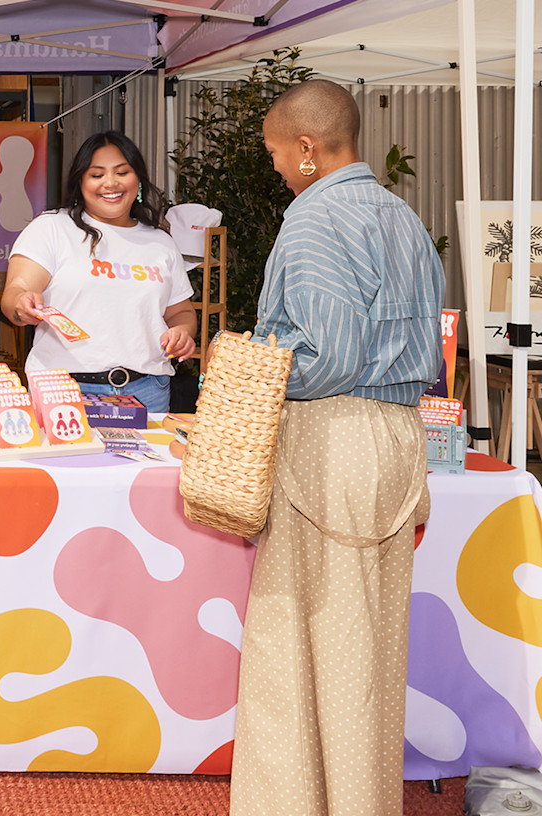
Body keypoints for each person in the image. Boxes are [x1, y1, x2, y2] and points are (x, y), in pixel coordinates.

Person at [228, 80, 445, 816]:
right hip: (394, 435)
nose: (277, 168)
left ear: (308, 149)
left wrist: (257, 351)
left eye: (275, 153)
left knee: (301, 645)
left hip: (331, 434)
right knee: (366, 649)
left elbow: (330, 355)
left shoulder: (314, 217)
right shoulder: (403, 217)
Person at [1, 131, 196, 414]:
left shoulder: (161, 242)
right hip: (64, 390)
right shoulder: (52, 228)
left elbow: (181, 312)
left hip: (149, 391)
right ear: (80, 181)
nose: (110, 183)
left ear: (137, 179)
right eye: (96, 175)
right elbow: (15, 292)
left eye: (122, 172)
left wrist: (182, 332)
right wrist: (21, 302)